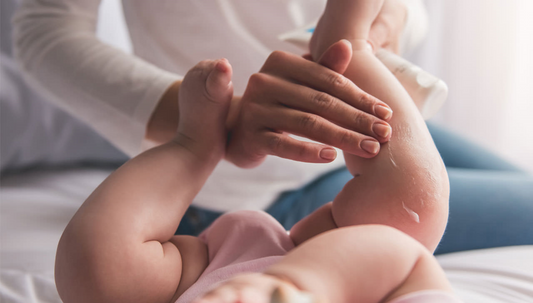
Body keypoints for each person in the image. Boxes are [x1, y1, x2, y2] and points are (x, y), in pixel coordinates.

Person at [12, 0, 533, 255]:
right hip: (247, 184)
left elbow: (412, 12)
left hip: (354, 124)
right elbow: (43, 31)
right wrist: (209, 120)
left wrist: (389, 18)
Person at [54, 15, 460, 300]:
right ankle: (349, 44)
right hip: (346, 274)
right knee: (410, 213)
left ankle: (193, 146)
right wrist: (296, 288)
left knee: (98, 269)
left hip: (204, 281)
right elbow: (407, 264)